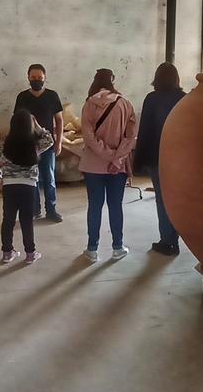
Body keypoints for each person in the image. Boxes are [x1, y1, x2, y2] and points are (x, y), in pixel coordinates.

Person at [79, 68, 137, 262]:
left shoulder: (89, 104)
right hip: (117, 167)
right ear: (113, 81)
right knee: (115, 206)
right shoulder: (125, 103)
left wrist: (106, 154)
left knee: (94, 206)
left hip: (92, 166)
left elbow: (88, 137)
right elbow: (131, 137)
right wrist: (116, 158)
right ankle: (117, 247)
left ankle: (92, 249)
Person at [0, 109, 54, 264]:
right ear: (30, 125)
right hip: (29, 186)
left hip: (9, 186)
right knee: (26, 220)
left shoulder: (4, 145)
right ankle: (30, 253)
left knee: (8, 220)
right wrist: (38, 125)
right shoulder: (35, 144)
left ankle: (7, 253)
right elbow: (50, 140)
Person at [132, 62, 187, 257]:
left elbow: (144, 131)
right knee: (178, 200)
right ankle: (175, 239)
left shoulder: (152, 99)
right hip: (180, 159)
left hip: (157, 158)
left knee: (162, 201)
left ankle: (167, 241)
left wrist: (138, 161)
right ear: (176, 78)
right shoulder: (184, 98)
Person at [14, 63, 63, 223]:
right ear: (28, 78)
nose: (36, 80)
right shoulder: (22, 97)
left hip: (47, 144)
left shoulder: (52, 96)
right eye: (33, 77)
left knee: (49, 178)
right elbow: (16, 121)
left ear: (45, 78)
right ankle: (34, 210)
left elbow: (59, 120)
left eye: (40, 78)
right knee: (32, 179)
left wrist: (59, 142)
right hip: (28, 145)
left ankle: (51, 210)